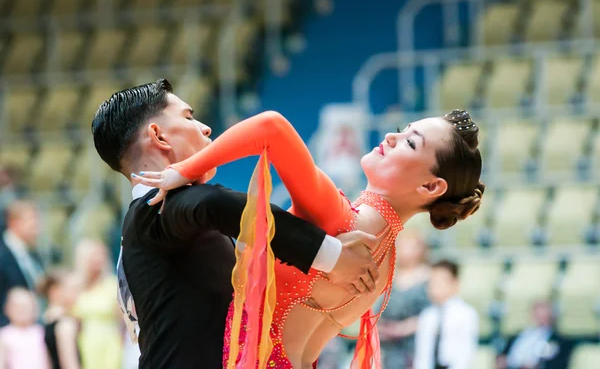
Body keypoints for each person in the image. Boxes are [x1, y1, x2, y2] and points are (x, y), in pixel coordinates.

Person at [134, 106, 485, 367]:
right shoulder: (385, 263)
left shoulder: (338, 216)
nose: (390, 137)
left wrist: (183, 169)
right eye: (400, 129)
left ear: (431, 186)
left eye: (410, 142)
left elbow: (271, 127)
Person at [90, 79, 380, 369]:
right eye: (188, 117)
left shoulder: (151, 224)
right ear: (158, 136)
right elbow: (214, 203)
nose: (206, 128)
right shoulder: (154, 209)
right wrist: (331, 256)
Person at [377, 230, 431, 369]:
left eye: (408, 245)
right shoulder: (389, 275)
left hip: (415, 345)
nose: (402, 249)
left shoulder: (428, 277)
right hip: (388, 346)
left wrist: (402, 329)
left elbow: (432, 315)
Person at [414, 259, 479, 369]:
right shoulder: (427, 316)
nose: (433, 287)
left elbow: (465, 354)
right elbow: (422, 354)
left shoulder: (466, 314)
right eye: (431, 282)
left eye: (439, 282)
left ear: (455, 283)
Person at [72, 240, 122, 369]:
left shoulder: (113, 284)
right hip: (85, 343)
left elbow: (122, 321)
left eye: (100, 255)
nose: (97, 260)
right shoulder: (76, 286)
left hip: (110, 343)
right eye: (93, 256)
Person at [0, 200, 45, 327]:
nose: (37, 226)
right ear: (14, 222)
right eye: (32, 219)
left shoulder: (33, 254)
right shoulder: (2, 256)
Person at [497, 300, 573, 369]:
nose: (540, 319)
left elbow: (557, 364)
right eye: (537, 315)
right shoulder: (517, 336)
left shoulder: (560, 341)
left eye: (544, 315)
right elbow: (502, 357)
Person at [38, 270, 82, 369]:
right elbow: (70, 364)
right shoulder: (65, 323)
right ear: (55, 291)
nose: (78, 294)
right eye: (73, 289)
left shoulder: (44, 321)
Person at [0, 288, 50, 369]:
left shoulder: (42, 331)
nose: (22, 310)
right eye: (17, 306)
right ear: (7, 309)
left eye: (26, 306)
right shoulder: (4, 335)